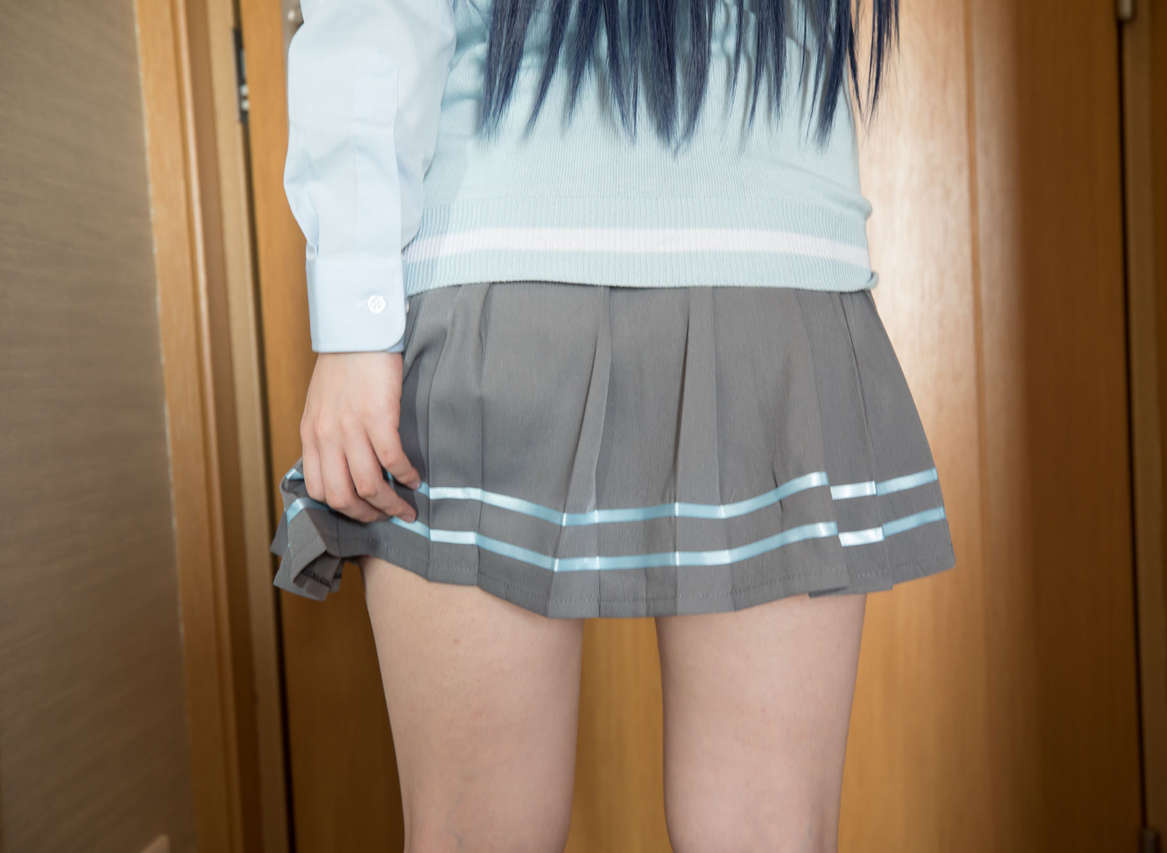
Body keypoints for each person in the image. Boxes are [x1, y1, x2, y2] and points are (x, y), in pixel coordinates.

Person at [268, 0, 957, 849]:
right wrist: (355, 322)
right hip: (764, 290)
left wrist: (355, 314)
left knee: (477, 833)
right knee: (764, 830)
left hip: (510, 278)